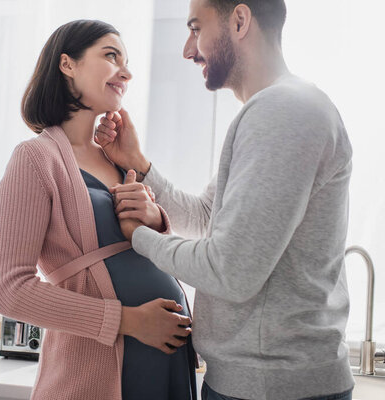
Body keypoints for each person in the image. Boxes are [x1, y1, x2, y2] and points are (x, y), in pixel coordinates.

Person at [95, 1, 354, 399]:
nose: (187, 49)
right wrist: (139, 165)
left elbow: (230, 271)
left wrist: (140, 238)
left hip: (273, 388)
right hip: (263, 384)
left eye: (196, 28)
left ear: (239, 20)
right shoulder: (274, 109)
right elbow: (205, 217)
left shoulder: (284, 113)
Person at [0, 20, 197, 400]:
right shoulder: (34, 159)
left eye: (127, 61)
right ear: (67, 64)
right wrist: (130, 321)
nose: (127, 71)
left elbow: (149, 250)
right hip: (99, 368)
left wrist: (155, 220)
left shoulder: (116, 160)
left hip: (164, 363)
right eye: (111, 55)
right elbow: (9, 290)